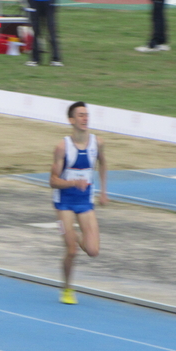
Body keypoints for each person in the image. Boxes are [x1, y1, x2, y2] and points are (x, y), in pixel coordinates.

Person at [50, 101, 108, 305]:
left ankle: (73, 233)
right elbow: (52, 181)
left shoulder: (97, 143)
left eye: (87, 115)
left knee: (93, 251)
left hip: (85, 202)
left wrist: (103, 192)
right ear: (71, 120)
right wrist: (74, 182)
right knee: (72, 251)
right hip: (64, 202)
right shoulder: (62, 147)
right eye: (80, 115)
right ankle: (67, 288)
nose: (85, 118)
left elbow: (103, 163)